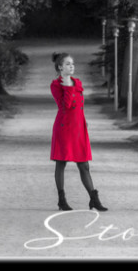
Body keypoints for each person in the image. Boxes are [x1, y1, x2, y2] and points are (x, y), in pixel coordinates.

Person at [49, 52, 107, 212]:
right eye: (68, 64)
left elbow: (80, 105)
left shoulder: (78, 82)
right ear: (60, 67)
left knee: (84, 165)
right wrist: (67, 86)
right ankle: (62, 200)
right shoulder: (56, 85)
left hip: (79, 128)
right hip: (64, 128)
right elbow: (65, 106)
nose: (71, 66)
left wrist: (83, 119)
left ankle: (94, 199)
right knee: (61, 163)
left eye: (72, 63)